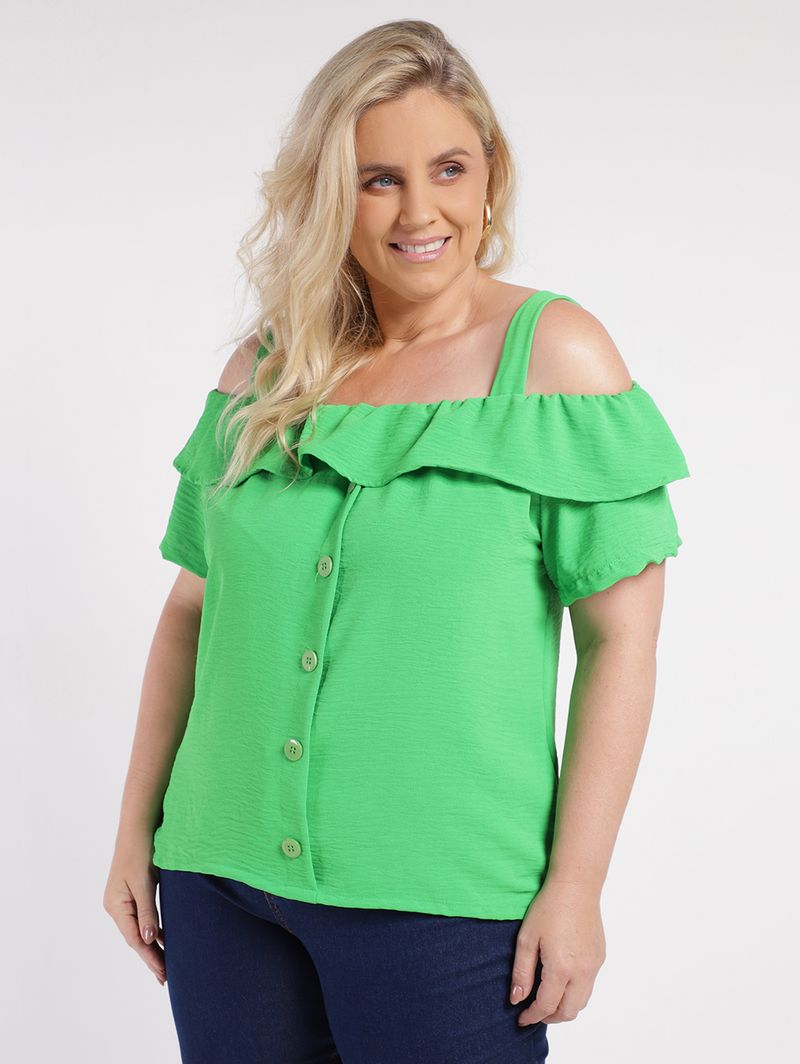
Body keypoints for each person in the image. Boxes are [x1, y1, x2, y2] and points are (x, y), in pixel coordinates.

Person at [103, 18, 690, 1064]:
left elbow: (620, 644)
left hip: (444, 902)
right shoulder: (266, 370)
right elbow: (193, 610)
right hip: (218, 881)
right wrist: (134, 833)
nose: (420, 212)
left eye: (448, 169)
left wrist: (576, 885)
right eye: (378, 179)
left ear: (489, 174)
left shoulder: (554, 361)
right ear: (331, 193)